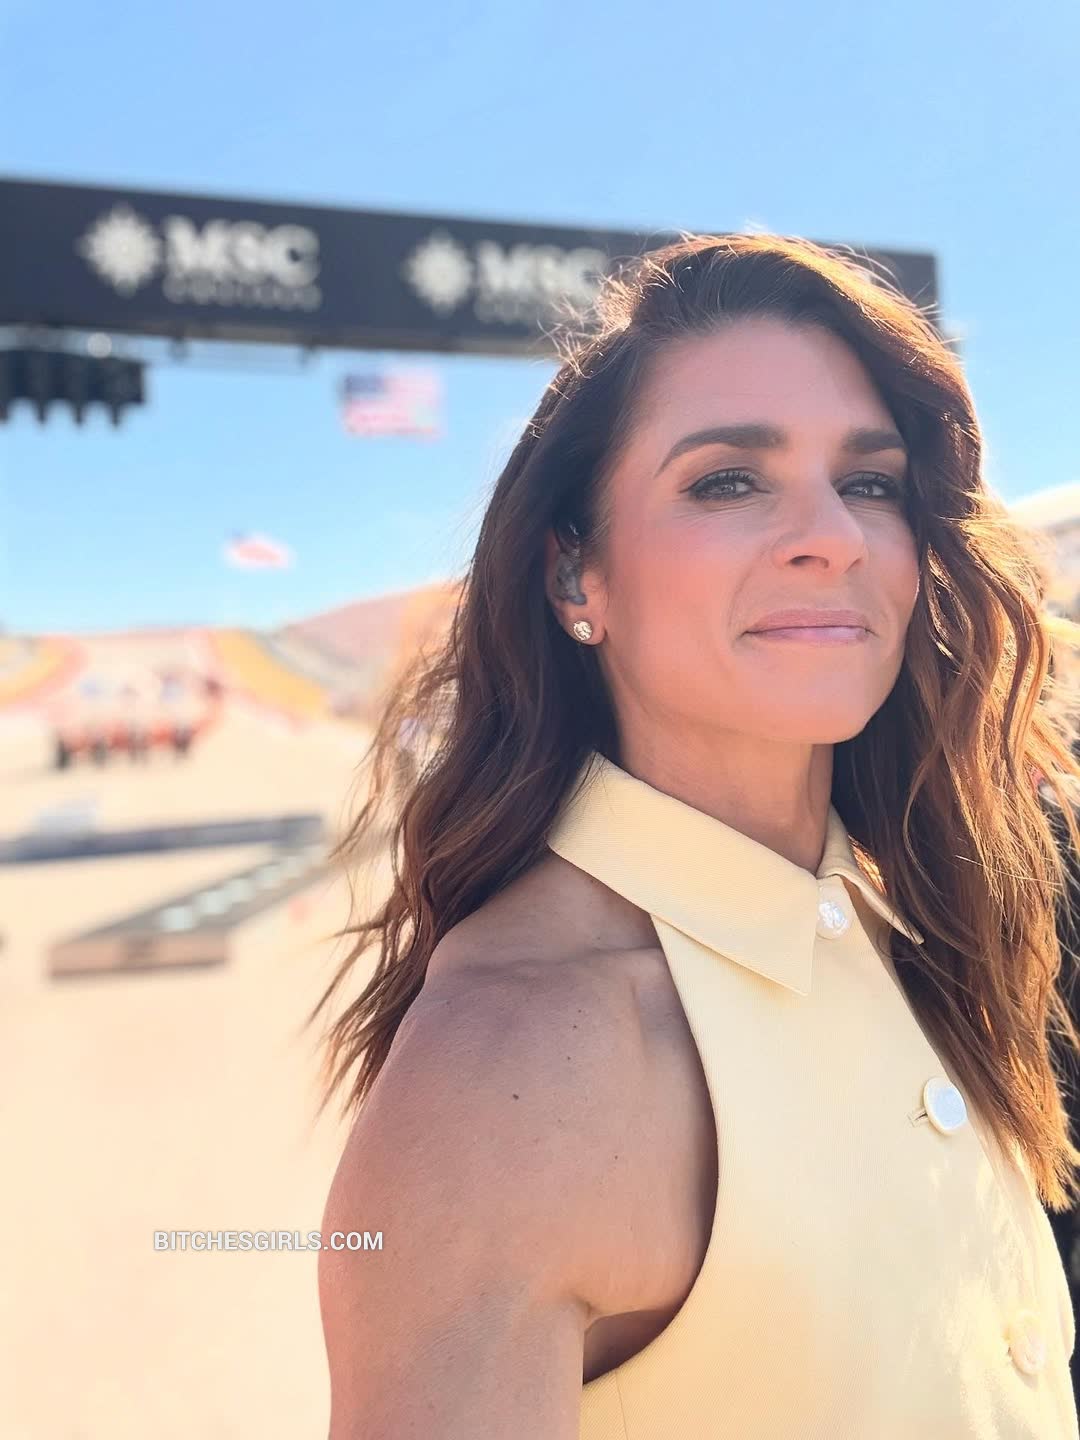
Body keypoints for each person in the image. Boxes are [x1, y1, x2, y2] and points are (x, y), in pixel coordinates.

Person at [311, 233, 1080, 1438]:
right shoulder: (510, 1073)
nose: (834, 535)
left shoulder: (934, 911)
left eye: (871, 483)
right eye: (729, 481)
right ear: (577, 577)